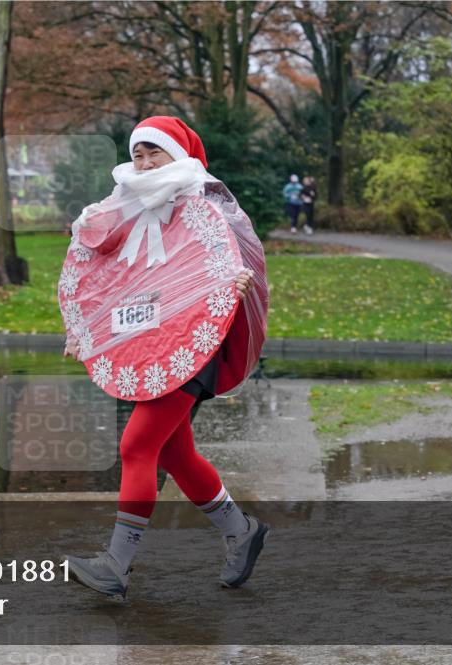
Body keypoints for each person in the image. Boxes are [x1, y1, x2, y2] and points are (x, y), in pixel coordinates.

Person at [60, 116, 270, 599]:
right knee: (175, 452)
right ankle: (242, 532)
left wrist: (235, 282)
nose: (145, 162)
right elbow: (105, 276)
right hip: (149, 343)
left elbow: (237, 262)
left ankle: (116, 564)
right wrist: (85, 329)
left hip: (194, 344)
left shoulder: (207, 205)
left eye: (155, 152)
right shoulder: (122, 209)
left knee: (137, 447)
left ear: (178, 154)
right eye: (138, 154)